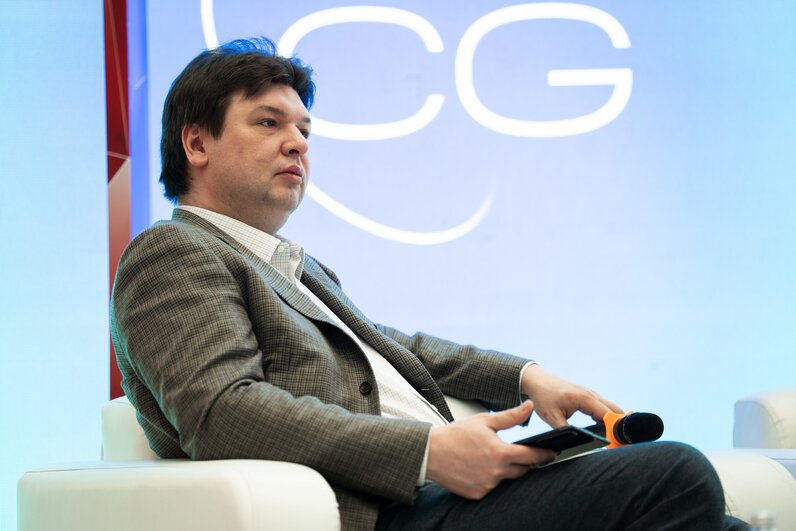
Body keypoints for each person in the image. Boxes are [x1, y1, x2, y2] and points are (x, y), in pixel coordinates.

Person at [110, 37, 747, 531]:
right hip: (384, 512)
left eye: (304, 130)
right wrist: (426, 452)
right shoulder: (172, 254)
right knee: (677, 474)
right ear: (197, 143)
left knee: (726, 521)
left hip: (434, 499)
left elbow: (400, 348)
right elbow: (223, 412)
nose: (297, 144)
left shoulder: (295, 269)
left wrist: (528, 377)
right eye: (269, 123)